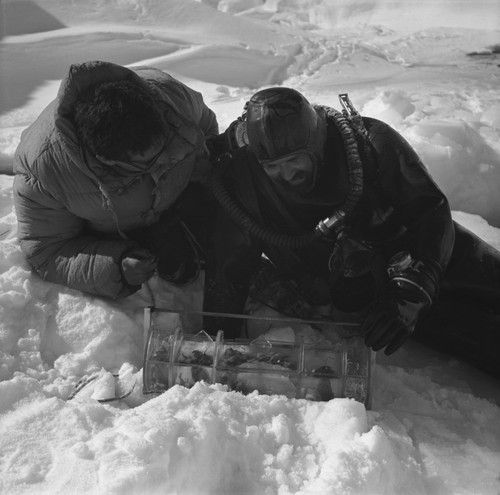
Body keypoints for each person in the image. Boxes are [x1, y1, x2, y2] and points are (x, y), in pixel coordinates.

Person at [203, 87, 500, 378]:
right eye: (274, 167)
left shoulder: (371, 144)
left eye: (295, 161)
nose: (288, 175)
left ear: (316, 145)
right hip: (364, 291)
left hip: (428, 252)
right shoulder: (245, 182)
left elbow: (429, 210)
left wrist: (412, 292)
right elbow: (230, 267)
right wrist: (214, 345)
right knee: (481, 339)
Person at [13, 60, 218, 298]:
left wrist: (206, 160)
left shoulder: (171, 98)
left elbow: (206, 125)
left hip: (180, 195)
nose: (164, 163)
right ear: (106, 161)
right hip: (119, 230)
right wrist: (115, 265)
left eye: (165, 146)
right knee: (178, 265)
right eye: (149, 162)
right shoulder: (45, 172)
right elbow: (48, 251)